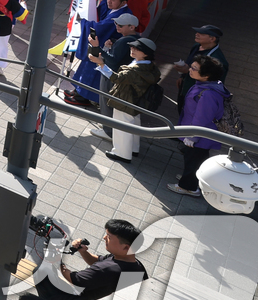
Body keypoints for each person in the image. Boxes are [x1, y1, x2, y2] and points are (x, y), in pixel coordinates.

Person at [14, 220, 146, 300]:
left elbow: (73, 278)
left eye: (109, 237)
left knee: (41, 274)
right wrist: (83, 251)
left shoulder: (108, 269)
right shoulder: (134, 263)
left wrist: (58, 259)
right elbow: (96, 260)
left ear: (126, 247)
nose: (105, 237)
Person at [169, 55, 229, 196]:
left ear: (206, 75)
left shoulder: (208, 93)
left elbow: (202, 117)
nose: (190, 69)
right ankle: (191, 180)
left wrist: (193, 137)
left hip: (199, 136)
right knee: (195, 159)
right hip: (199, 135)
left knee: (193, 160)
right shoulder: (207, 86)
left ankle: (188, 186)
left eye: (194, 68)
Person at [98, 37, 159, 163]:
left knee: (121, 126)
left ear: (146, 53)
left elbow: (116, 78)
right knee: (134, 123)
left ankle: (122, 153)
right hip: (136, 100)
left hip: (125, 100)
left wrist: (101, 64)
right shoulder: (150, 67)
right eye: (132, 47)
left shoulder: (136, 69)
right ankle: (133, 148)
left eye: (137, 49)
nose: (133, 49)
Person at [174, 24, 227, 109]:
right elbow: (189, 61)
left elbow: (213, 82)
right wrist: (183, 76)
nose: (196, 34)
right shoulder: (197, 46)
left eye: (201, 33)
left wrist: (188, 71)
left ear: (212, 39)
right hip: (185, 88)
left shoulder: (218, 60)